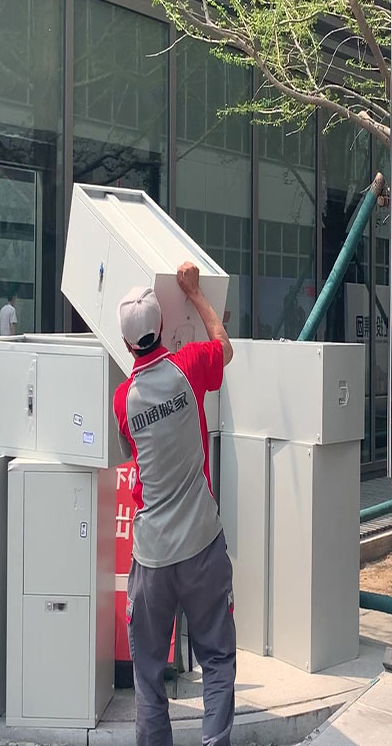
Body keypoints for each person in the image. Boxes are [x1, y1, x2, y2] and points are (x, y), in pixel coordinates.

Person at [113, 263, 236, 746]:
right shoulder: (189, 366)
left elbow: (130, 450)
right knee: (217, 660)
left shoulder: (124, 400)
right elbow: (224, 345)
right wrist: (196, 293)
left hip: (153, 558)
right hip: (202, 543)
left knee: (148, 675)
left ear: (126, 344)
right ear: (163, 324)